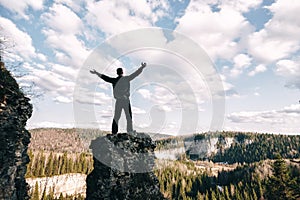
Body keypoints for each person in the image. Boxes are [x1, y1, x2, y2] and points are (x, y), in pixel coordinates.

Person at [90, 62, 147, 134]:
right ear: (122, 72)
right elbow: (136, 74)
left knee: (116, 117)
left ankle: (114, 132)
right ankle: (130, 131)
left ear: (117, 73)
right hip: (126, 100)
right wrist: (142, 67)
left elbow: (105, 78)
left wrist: (96, 73)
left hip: (119, 101)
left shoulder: (114, 80)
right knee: (128, 117)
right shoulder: (127, 78)